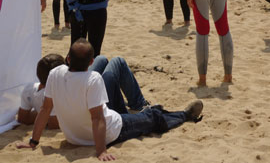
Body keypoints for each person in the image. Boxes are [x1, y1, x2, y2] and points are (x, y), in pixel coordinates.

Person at [17, 39, 203, 161]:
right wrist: (101, 151)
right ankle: (184, 115)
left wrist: (33, 142)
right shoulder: (92, 79)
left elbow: (45, 109)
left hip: (76, 136)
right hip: (113, 130)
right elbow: (97, 118)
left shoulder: (55, 74)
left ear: (67, 59)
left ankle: (144, 108)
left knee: (110, 66)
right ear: (90, 63)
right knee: (153, 117)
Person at [17, 54, 64, 129]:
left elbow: (23, 119)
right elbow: (54, 124)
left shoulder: (29, 88)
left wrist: (42, 115)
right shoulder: (55, 94)